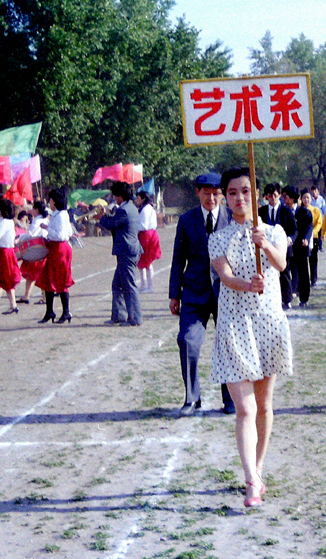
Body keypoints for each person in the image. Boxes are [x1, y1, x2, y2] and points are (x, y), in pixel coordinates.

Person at [209, 167, 292, 508]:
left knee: (263, 405)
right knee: (244, 408)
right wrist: (248, 284)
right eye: (232, 192)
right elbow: (226, 276)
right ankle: (250, 481)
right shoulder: (218, 237)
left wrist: (266, 244)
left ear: (256, 194)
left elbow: (281, 264)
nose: (240, 198)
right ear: (225, 198)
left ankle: (258, 468)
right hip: (234, 324)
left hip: (267, 323)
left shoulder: (274, 230)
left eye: (246, 191)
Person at [169, 173, 236, 416]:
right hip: (193, 293)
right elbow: (178, 258)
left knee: (228, 344)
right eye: (206, 193)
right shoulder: (186, 220)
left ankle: (231, 399)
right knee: (188, 341)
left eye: (216, 193)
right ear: (198, 192)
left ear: (223, 194)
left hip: (226, 293)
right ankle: (191, 398)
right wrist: (174, 294)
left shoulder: (232, 218)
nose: (211, 198)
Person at [100, 182, 143, 325]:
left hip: (127, 251)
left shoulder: (124, 210)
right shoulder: (130, 207)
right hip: (128, 250)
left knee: (129, 285)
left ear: (120, 196)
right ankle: (119, 315)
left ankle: (135, 318)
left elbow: (111, 224)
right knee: (117, 285)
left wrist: (102, 217)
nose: (114, 198)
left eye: (115, 196)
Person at [37, 189, 75, 323]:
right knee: (48, 279)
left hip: (60, 249)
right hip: (54, 248)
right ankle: (49, 311)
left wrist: (47, 228)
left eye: (51, 200)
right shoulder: (57, 214)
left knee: (61, 279)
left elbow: (61, 235)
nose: (49, 202)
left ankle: (66, 312)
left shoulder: (61, 216)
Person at [258, 183, 297, 310]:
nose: (273, 198)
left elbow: (294, 230)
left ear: (279, 195)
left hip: (283, 248)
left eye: (275, 195)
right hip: (266, 249)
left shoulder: (286, 211)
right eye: (270, 196)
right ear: (266, 197)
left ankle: (287, 300)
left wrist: (289, 239)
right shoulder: (261, 212)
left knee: (284, 274)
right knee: (267, 274)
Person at [283, 186, 312, 308]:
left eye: (286, 196)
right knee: (288, 271)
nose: (284, 198)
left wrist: (306, 238)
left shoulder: (304, 212)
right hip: (287, 246)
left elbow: (309, 226)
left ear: (292, 198)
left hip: (301, 245)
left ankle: (304, 298)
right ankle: (288, 297)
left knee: (303, 272)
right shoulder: (282, 212)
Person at [17, 200, 50, 305]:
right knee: (34, 275)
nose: (31, 210)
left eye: (33, 208)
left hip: (36, 249)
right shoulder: (45, 219)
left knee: (36, 274)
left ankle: (43, 297)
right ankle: (27, 296)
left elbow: (30, 234)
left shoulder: (37, 220)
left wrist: (19, 237)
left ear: (37, 210)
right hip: (43, 248)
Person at [135, 191, 161, 292]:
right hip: (148, 235)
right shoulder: (147, 208)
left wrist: (134, 227)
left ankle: (149, 286)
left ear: (143, 199)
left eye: (138, 198)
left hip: (146, 235)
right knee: (143, 261)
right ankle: (144, 285)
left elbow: (144, 225)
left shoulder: (146, 209)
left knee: (146, 261)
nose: (137, 200)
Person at [301, 189, 322, 289]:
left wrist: (313, 232)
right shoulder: (299, 210)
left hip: (314, 237)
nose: (306, 200)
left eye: (308, 197)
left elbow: (319, 223)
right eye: (304, 198)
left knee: (313, 260)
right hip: (303, 239)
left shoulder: (315, 210)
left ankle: (314, 279)